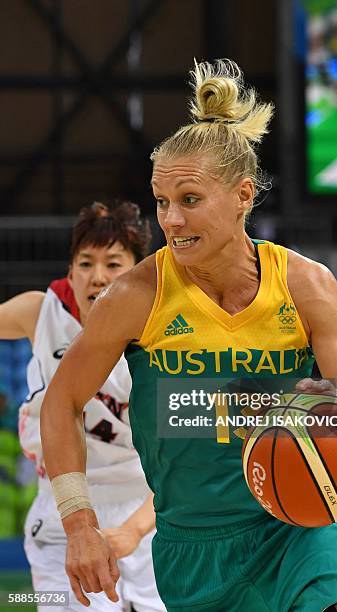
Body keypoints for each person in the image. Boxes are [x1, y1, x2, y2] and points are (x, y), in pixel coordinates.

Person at [40, 60, 337, 612]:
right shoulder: (136, 296)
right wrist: (80, 523)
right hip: (196, 549)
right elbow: (60, 402)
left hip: (302, 529)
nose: (171, 220)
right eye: (162, 202)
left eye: (189, 200)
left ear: (243, 196)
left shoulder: (307, 285)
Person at [0, 201, 165, 612]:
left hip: (144, 510)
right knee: (45, 602)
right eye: (86, 263)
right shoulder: (41, 312)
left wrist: (132, 530)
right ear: (70, 272)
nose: (98, 276)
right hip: (59, 510)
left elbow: (186, 470)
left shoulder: (166, 337)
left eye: (113, 264)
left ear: (137, 271)